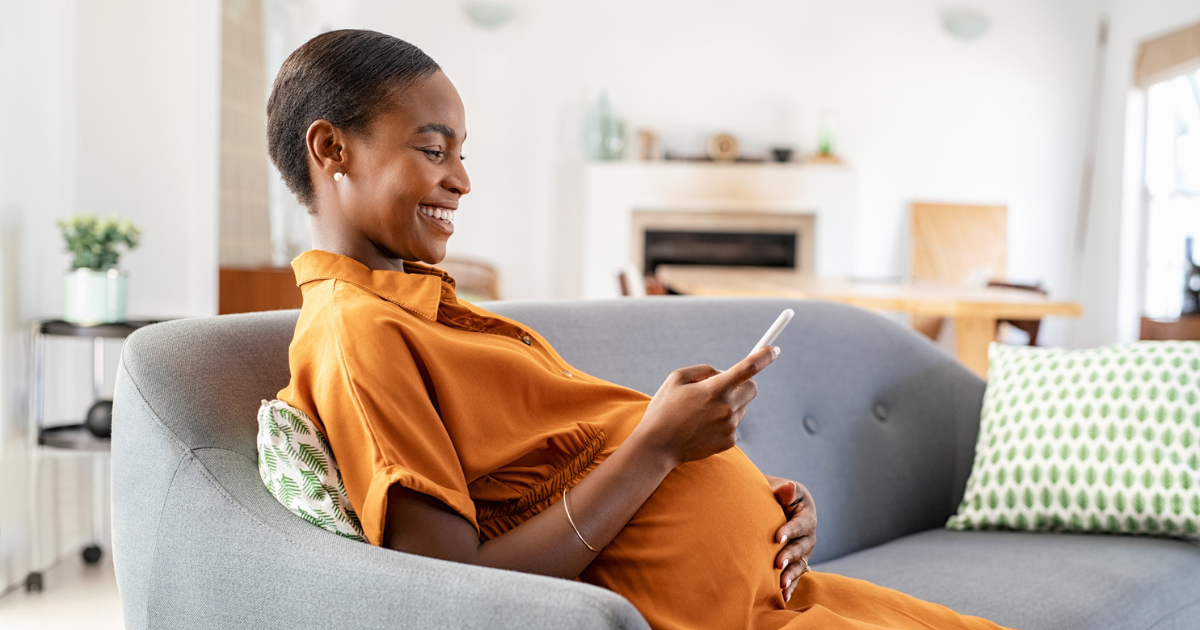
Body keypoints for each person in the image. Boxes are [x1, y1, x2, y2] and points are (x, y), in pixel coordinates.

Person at [271, 29, 1010, 630]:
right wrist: (658, 447)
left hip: (783, 595)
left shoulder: (419, 307)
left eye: (462, 153)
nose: (462, 179)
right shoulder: (356, 332)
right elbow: (448, 590)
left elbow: (557, 469)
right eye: (434, 150)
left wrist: (768, 508)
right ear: (332, 149)